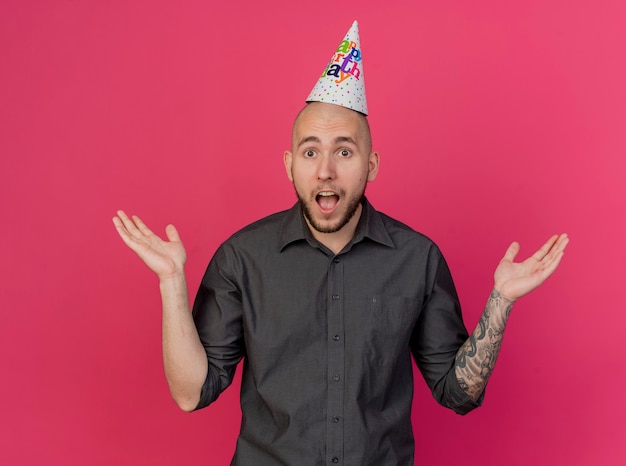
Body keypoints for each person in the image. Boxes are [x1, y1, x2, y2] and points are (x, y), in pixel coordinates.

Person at [112, 22, 569, 466]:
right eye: (311, 152)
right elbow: (192, 393)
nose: (326, 170)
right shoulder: (242, 258)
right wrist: (172, 283)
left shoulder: (418, 259)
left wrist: (501, 302)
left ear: (370, 165)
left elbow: (457, 393)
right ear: (290, 165)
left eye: (344, 152)